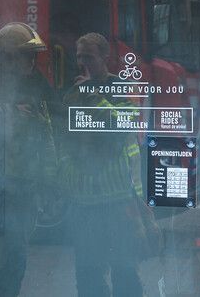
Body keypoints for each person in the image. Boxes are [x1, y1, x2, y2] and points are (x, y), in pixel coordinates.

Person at [59, 33, 146, 297]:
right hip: (84, 200)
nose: (83, 63)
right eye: (79, 57)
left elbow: (124, 125)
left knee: (125, 271)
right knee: (87, 273)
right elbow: (62, 139)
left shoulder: (122, 88)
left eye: (89, 57)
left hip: (119, 199)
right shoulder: (72, 93)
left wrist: (93, 95)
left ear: (104, 58)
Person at [0, 22, 57, 297]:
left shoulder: (37, 84)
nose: (32, 61)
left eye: (33, 55)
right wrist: (6, 111)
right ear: (7, 56)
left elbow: (53, 126)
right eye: (25, 55)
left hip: (25, 183)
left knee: (17, 251)